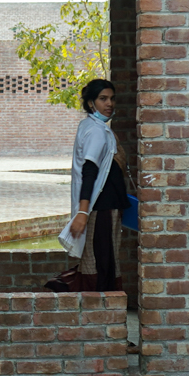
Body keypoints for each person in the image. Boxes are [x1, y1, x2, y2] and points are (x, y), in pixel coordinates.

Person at [51, 78, 133, 292]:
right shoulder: (96, 131)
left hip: (107, 206)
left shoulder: (94, 127)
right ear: (91, 103)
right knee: (101, 263)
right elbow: (89, 170)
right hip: (101, 208)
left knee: (103, 260)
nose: (109, 104)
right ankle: (96, 304)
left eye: (112, 99)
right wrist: (83, 212)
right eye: (103, 99)